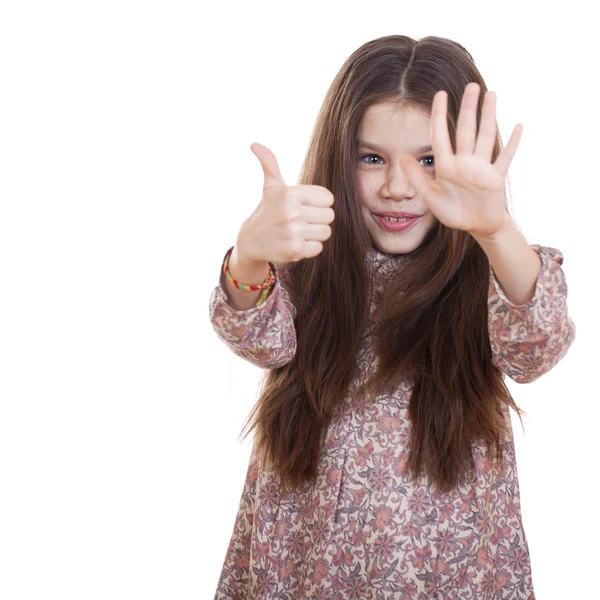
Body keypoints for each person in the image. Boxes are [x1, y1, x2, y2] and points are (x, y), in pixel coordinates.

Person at [208, 34, 576, 599]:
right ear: (340, 155)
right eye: (371, 158)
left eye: (427, 161)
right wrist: (251, 255)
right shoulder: (311, 257)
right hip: (307, 564)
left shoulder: (490, 270)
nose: (397, 187)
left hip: (450, 573)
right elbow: (260, 339)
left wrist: (497, 232)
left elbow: (537, 348)